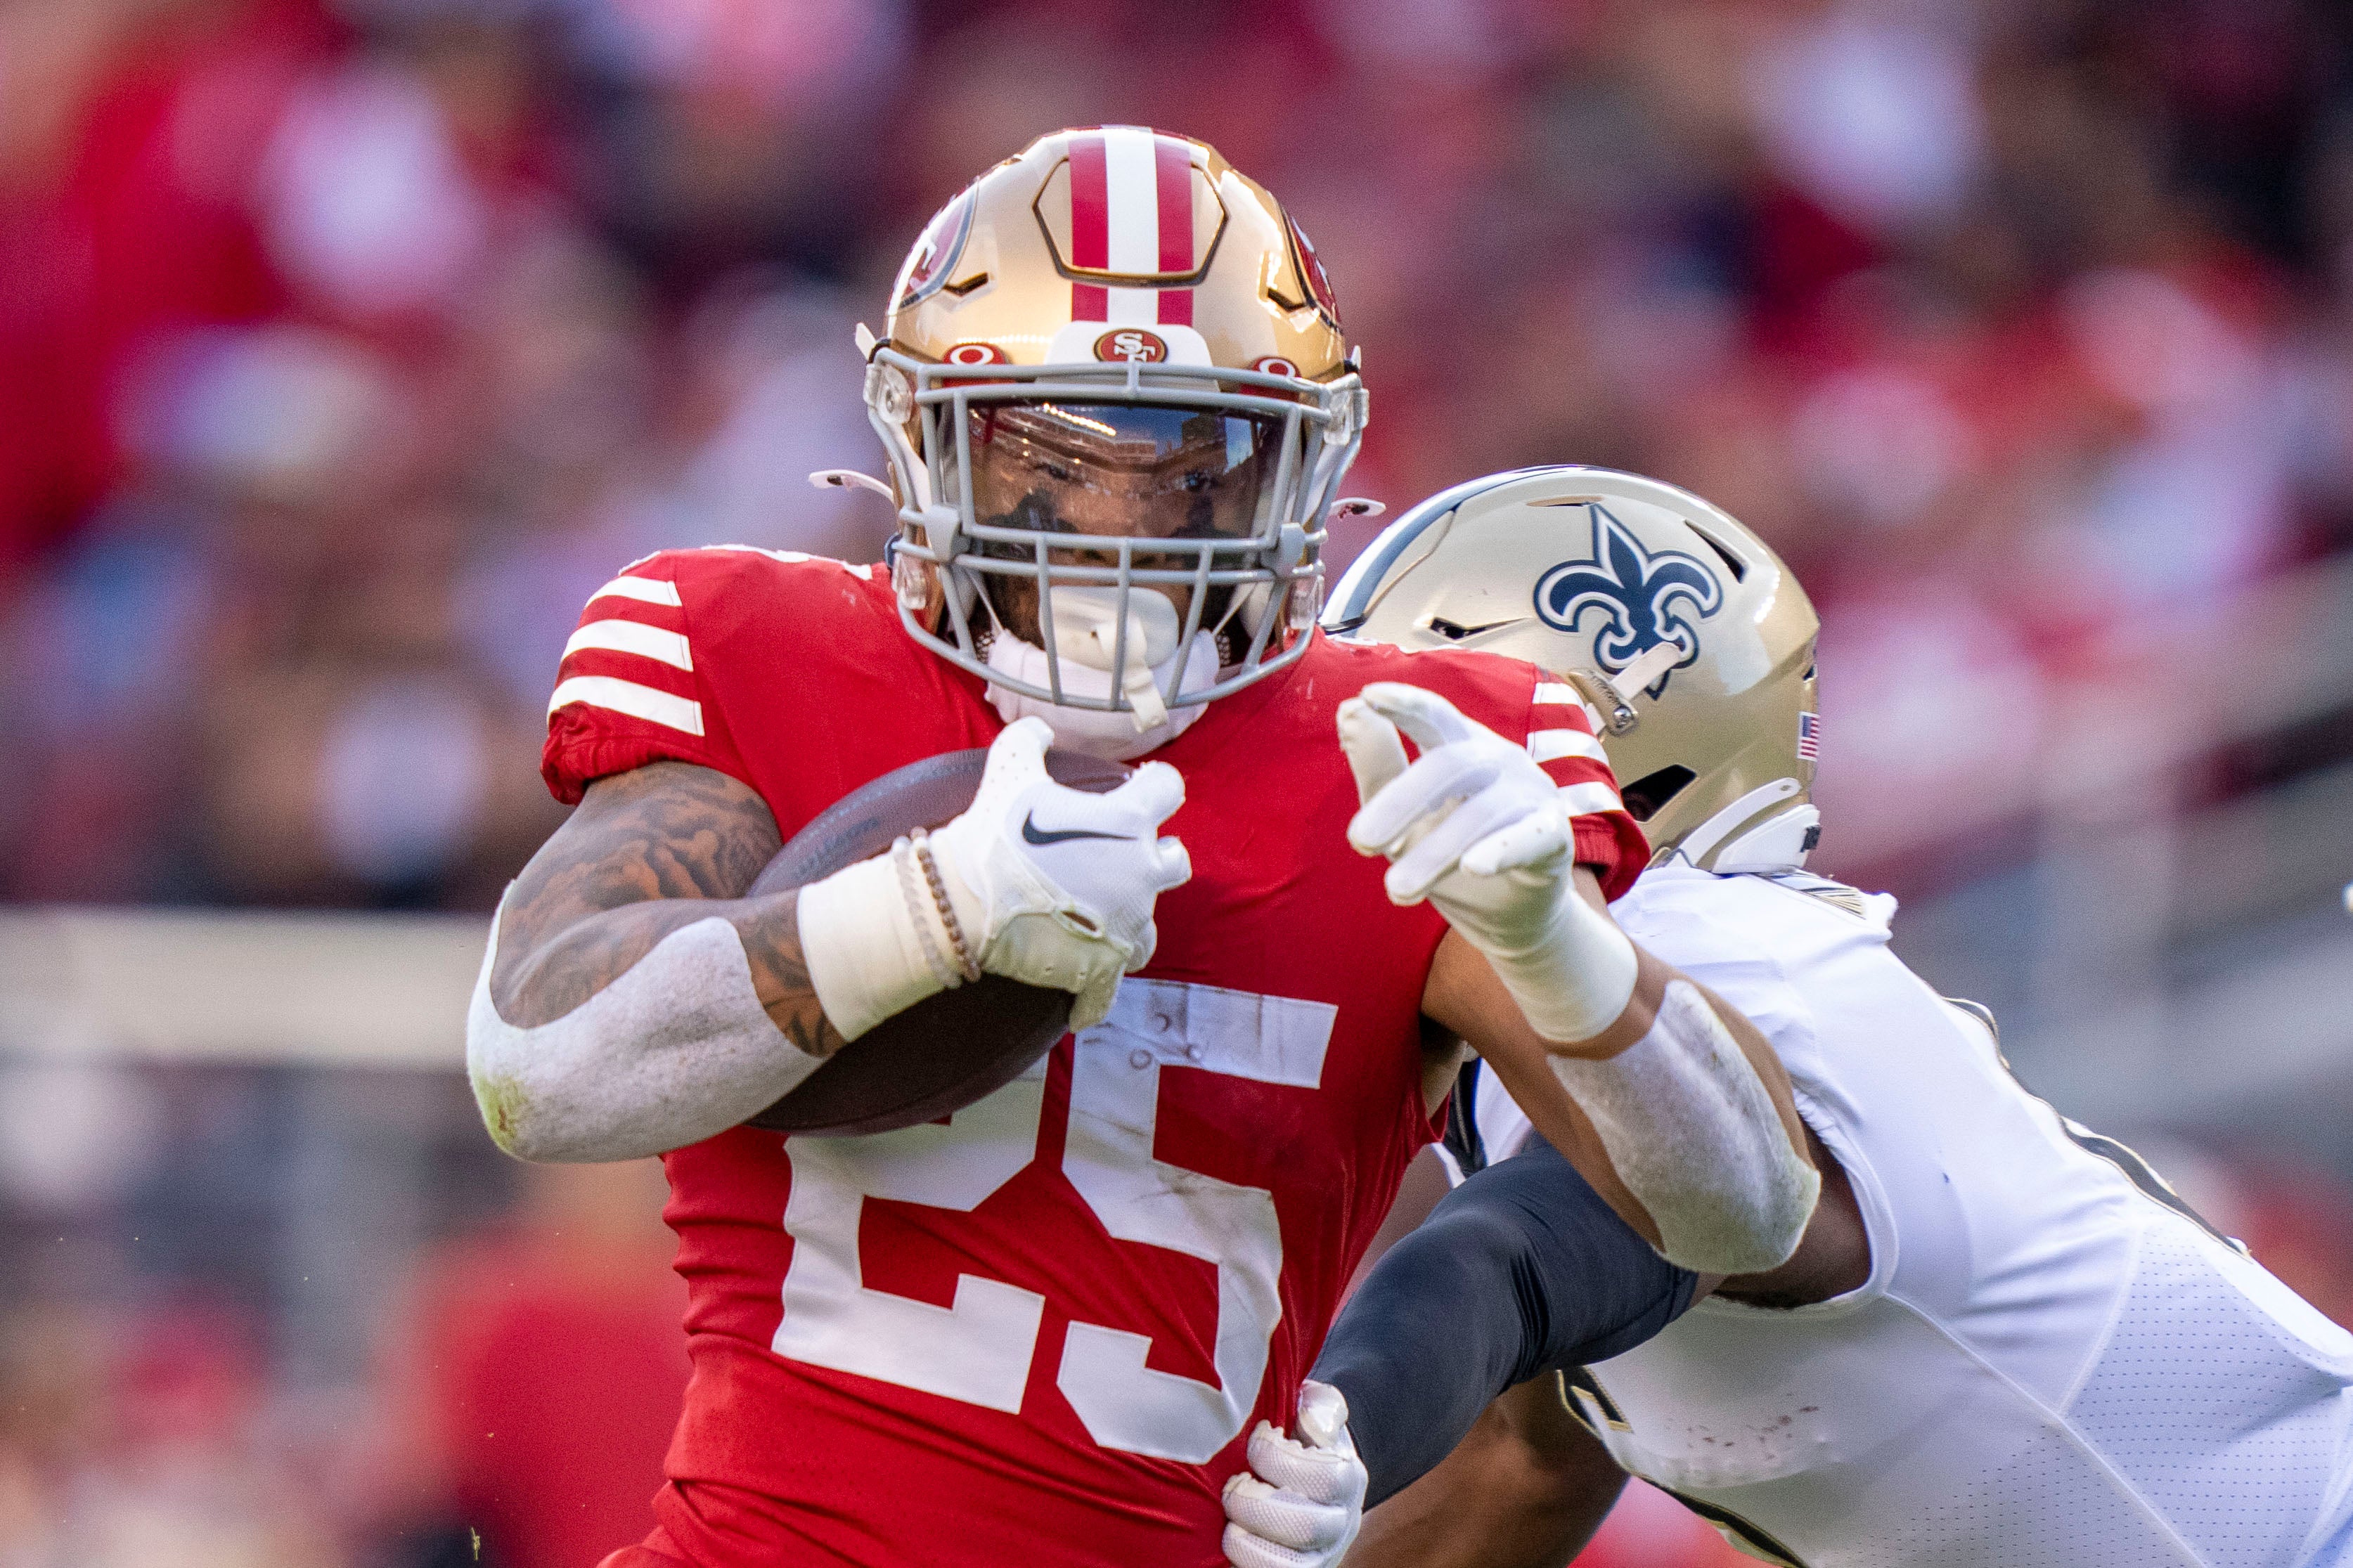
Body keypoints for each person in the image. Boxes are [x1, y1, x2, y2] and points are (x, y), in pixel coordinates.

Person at [460, 134, 1819, 1568]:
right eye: (1049, 455)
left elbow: (1742, 1204)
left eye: (1199, 462)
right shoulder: (756, 648)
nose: (1120, 529)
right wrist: (933, 909)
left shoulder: (1411, 748)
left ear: (1309, 466)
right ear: (923, 437)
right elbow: (537, 1069)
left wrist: (1559, 946)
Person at [1298, 465, 2353, 1568]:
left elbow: (1517, 1259)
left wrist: (1341, 1426)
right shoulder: (1595, 1024)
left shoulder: (1721, 957)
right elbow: (1522, 1462)